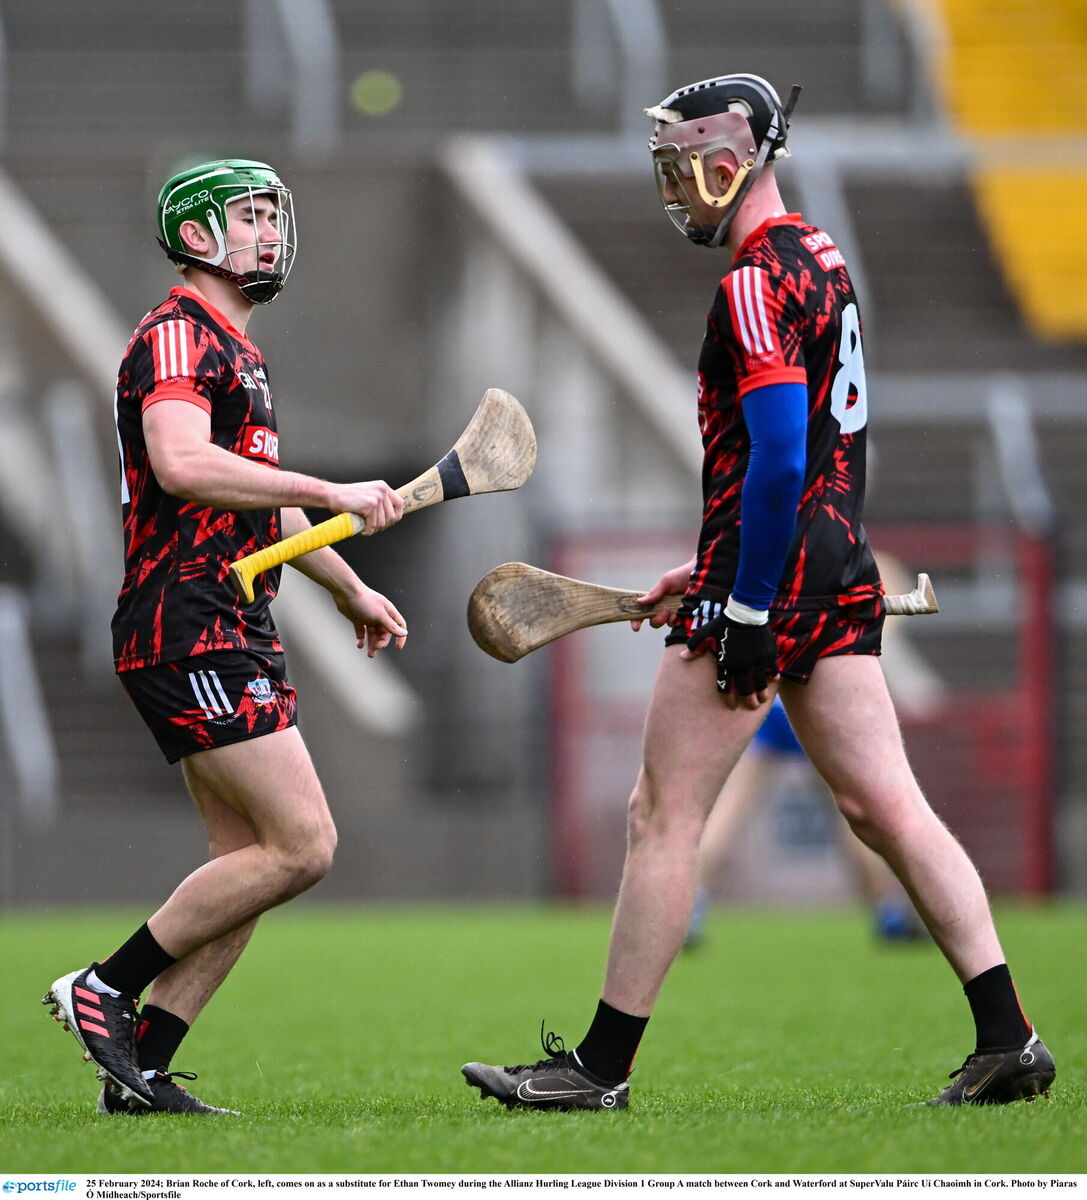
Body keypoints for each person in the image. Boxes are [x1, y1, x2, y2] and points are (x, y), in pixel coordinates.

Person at [461, 75, 1054, 1109]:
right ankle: (1009, 1036)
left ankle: (596, 1069)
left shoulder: (748, 281)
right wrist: (715, 565)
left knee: (662, 815)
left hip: (770, 581)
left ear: (722, 158)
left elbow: (781, 456)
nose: (670, 191)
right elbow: (812, 460)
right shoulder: (821, 256)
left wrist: (738, 606)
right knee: (885, 807)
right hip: (828, 562)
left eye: (675, 168)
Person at [42, 159, 407, 1115]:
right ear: (198, 237)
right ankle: (107, 988)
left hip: (230, 617)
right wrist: (325, 488)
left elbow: (255, 504)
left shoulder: (238, 351)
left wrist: (348, 587)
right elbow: (182, 462)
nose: (270, 234)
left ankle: (143, 1070)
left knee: (244, 865)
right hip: (186, 621)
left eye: (271, 219)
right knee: (304, 845)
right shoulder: (175, 336)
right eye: (249, 218)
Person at [688, 552, 945, 947]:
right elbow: (874, 642)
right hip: (815, 697)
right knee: (855, 816)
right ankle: (891, 913)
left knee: (731, 809)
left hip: (770, 697)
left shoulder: (774, 548)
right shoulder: (865, 560)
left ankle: (691, 907)